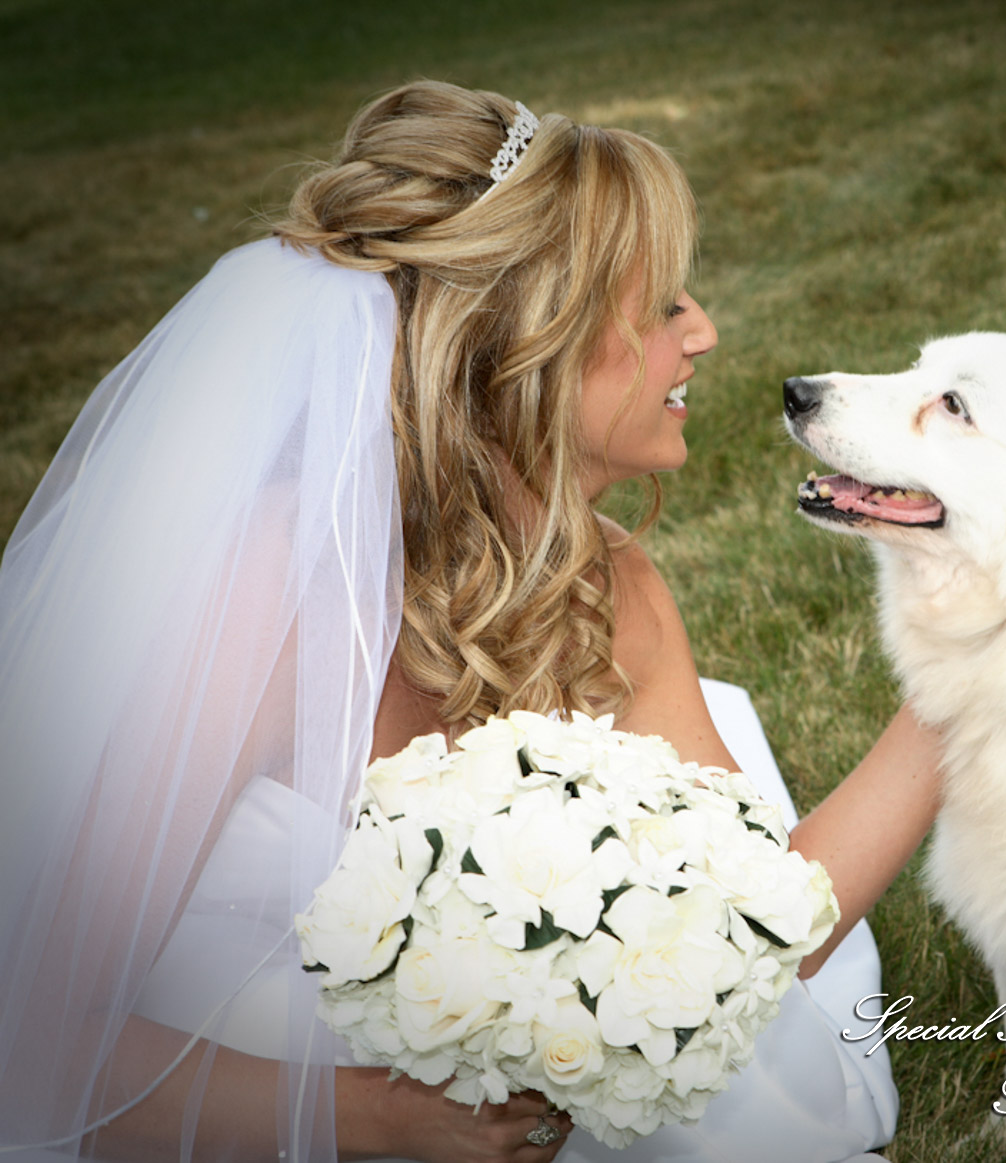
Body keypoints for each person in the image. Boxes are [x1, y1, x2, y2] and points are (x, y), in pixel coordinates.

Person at [0, 81, 943, 1163]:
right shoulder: (263, 598)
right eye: (662, 305)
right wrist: (390, 1117)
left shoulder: (612, 583)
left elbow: (759, 925)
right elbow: (27, 1038)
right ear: (530, 343)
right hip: (217, 1084)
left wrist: (959, 698)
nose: (705, 331)